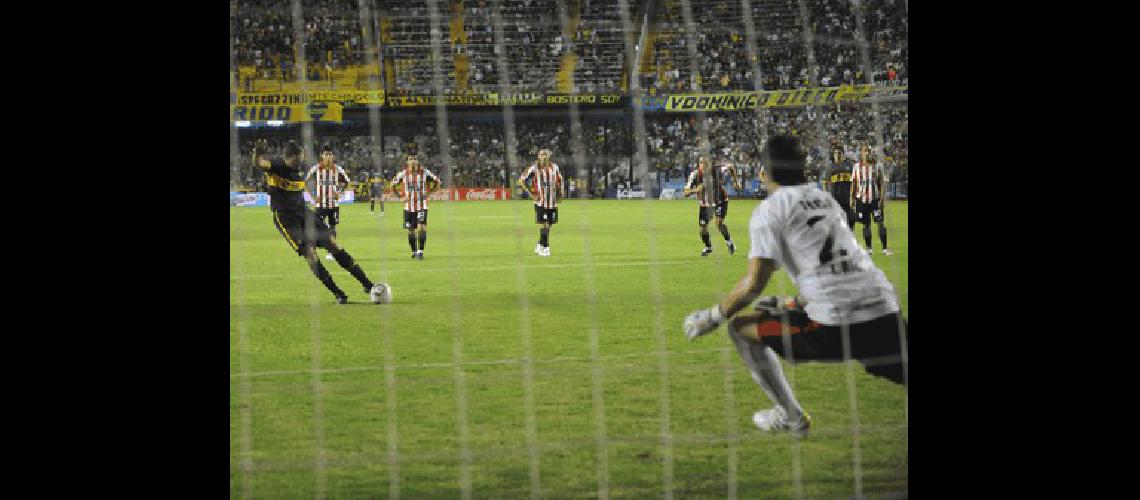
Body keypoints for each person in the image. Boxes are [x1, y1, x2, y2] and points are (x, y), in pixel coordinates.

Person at [682, 134, 907, 433]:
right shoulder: (826, 201)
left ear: (765, 172)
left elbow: (753, 284)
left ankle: (791, 416)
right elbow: (838, 266)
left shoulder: (770, 211)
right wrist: (792, 302)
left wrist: (712, 317)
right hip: (884, 311)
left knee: (741, 329)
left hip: (833, 325)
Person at [250, 139, 384, 304]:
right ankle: (338, 293)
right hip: (286, 219)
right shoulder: (276, 166)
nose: (300, 162)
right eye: (297, 159)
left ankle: (368, 285)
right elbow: (260, 164)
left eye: (301, 158)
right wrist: (258, 152)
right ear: (288, 158)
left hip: (305, 212)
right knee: (311, 254)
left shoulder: (300, 169)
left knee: (334, 245)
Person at [682, 156, 741, 256]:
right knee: (703, 229)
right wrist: (695, 190)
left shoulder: (717, 170)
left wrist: (736, 183)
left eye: (706, 164)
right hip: (705, 204)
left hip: (720, 200)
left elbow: (730, 167)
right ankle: (708, 247)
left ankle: (729, 242)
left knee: (718, 223)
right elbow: (685, 193)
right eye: (701, 163)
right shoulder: (695, 175)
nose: (703, 166)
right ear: (699, 165)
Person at [389, 147, 441, 260]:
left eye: (415, 159)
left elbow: (437, 182)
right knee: (411, 230)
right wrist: (400, 197)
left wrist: (429, 194)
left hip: (422, 206)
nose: (413, 161)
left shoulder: (425, 173)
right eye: (410, 159)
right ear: (407, 161)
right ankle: (414, 251)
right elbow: (392, 186)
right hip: (408, 207)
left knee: (422, 227)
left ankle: (421, 251)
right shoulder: (403, 174)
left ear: (418, 161)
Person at [305, 145, 352, 260]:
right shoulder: (316, 168)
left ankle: (332, 252)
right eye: (326, 154)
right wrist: (313, 197)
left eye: (330, 154)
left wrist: (340, 193)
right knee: (317, 227)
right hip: (320, 204)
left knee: (332, 227)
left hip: (333, 205)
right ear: (322, 156)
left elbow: (347, 183)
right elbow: (305, 182)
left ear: (333, 156)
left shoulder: (338, 169)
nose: (328, 157)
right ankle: (313, 251)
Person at [518, 149, 564, 257]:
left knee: (549, 226)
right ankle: (546, 248)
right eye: (541, 154)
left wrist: (560, 194)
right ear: (538, 156)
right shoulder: (534, 168)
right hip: (540, 202)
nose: (543, 156)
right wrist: (530, 193)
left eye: (545, 154)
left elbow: (559, 181)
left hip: (553, 202)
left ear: (549, 156)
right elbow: (521, 180)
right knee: (545, 225)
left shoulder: (555, 167)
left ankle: (539, 245)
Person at [850, 144, 891, 256]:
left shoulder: (877, 166)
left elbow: (882, 184)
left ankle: (885, 249)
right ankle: (869, 249)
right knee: (866, 225)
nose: (867, 153)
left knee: (880, 223)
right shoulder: (856, 167)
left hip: (875, 201)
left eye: (868, 151)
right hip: (861, 201)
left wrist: (882, 200)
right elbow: (854, 183)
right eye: (864, 151)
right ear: (861, 153)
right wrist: (852, 199)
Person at [823, 146, 856, 228]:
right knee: (836, 225)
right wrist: (827, 196)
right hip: (835, 200)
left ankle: (849, 239)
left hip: (848, 199)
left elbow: (855, 182)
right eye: (835, 153)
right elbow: (825, 183)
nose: (837, 155)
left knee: (851, 222)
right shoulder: (830, 167)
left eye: (839, 153)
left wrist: (854, 196)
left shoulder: (850, 166)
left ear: (843, 155)